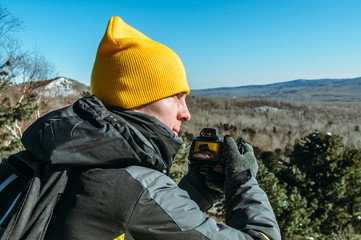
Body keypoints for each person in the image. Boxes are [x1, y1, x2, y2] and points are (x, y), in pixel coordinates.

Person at [20, 16, 281, 239]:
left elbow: (136, 220)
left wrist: (198, 190)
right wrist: (244, 182)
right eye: (176, 96)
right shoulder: (138, 186)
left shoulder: (56, 156)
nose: (186, 113)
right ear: (137, 97)